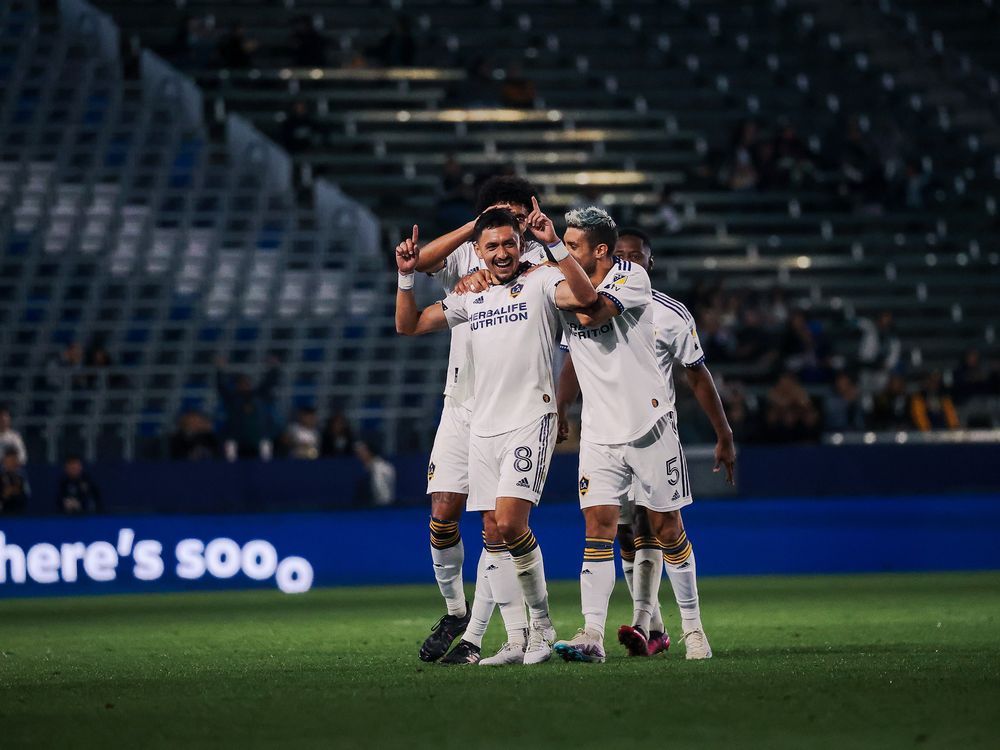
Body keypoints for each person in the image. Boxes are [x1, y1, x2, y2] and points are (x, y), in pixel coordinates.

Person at [395, 205, 599, 666]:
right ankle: (514, 638)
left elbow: (585, 299)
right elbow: (408, 326)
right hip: (483, 426)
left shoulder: (544, 279)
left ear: (520, 243)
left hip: (531, 417)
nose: (502, 253)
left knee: (509, 524)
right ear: (479, 253)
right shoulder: (470, 295)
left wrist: (553, 245)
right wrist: (406, 277)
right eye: (492, 247)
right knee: (494, 531)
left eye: (509, 243)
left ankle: (543, 628)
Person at [554, 223, 734, 662]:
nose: (628, 261)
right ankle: (599, 632)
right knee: (607, 530)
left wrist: (723, 431)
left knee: (665, 529)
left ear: (649, 263)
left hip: (651, 430)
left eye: (636, 256)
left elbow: (696, 373)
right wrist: (559, 409)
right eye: (622, 254)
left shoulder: (668, 312)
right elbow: (574, 362)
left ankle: (691, 631)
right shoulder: (578, 293)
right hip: (599, 432)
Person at [404, 176, 548, 666]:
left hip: (516, 404)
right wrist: (479, 229)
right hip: (461, 401)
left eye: (516, 218)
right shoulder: (473, 253)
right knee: (443, 510)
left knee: (497, 525)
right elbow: (419, 266)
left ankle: (500, 635)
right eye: (499, 218)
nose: (507, 236)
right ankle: (456, 613)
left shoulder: (539, 264)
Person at [215, 356, 280, 459]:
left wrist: (274, 368)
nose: (244, 385)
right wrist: (219, 370)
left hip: (258, 437)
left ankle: (267, 470)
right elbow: (221, 386)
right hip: (236, 437)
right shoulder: (232, 398)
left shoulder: (258, 396)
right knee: (229, 446)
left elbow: (269, 383)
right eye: (241, 383)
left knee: (266, 445)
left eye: (246, 383)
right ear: (236, 385)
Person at [355, 441, 396, 505]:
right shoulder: (367, 468)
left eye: (362, 451)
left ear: (369, 452)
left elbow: (384, 497)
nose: (359, 455)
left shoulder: (381, 468)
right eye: (358, 453)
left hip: (381, 510)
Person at [0, 449, 29, 514]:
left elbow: (25, 497)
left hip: (18, 515)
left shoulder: (21, 478)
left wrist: (14, 491)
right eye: (11, 460)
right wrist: (4, 495)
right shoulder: (1, 477)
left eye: (15, 460)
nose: (14, 463)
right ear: (4, 461)